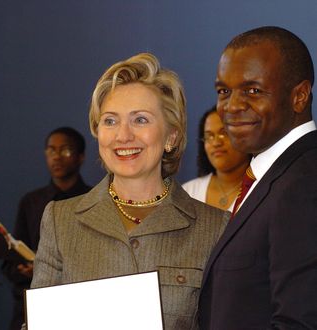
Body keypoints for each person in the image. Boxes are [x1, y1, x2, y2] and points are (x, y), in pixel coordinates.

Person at [29, 53, 227, 330]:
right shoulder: (59, 220)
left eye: (141, 120)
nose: (123, 135)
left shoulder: (215, 228)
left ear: (171, 136)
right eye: (110, 121)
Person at [198, 26, 317, 329]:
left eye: (252, 90)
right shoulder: (274, 176)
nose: (232, 106)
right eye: (224, 91)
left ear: (299, 96)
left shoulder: (304, 183)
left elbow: (299, 322)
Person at [2, 126, 91, 330]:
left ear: (80, 157)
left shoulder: (93, 200)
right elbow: (11, 260)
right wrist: (24, 269)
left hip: (79, 304)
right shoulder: (31, 201)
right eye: (51, 150)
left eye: (65, 150)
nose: (57, 157)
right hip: (31, 305)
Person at [182, 105, 250, 211]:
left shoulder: (262, 192)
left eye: (224, 133)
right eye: (209, 136)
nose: (216, 143)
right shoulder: (188, 193)